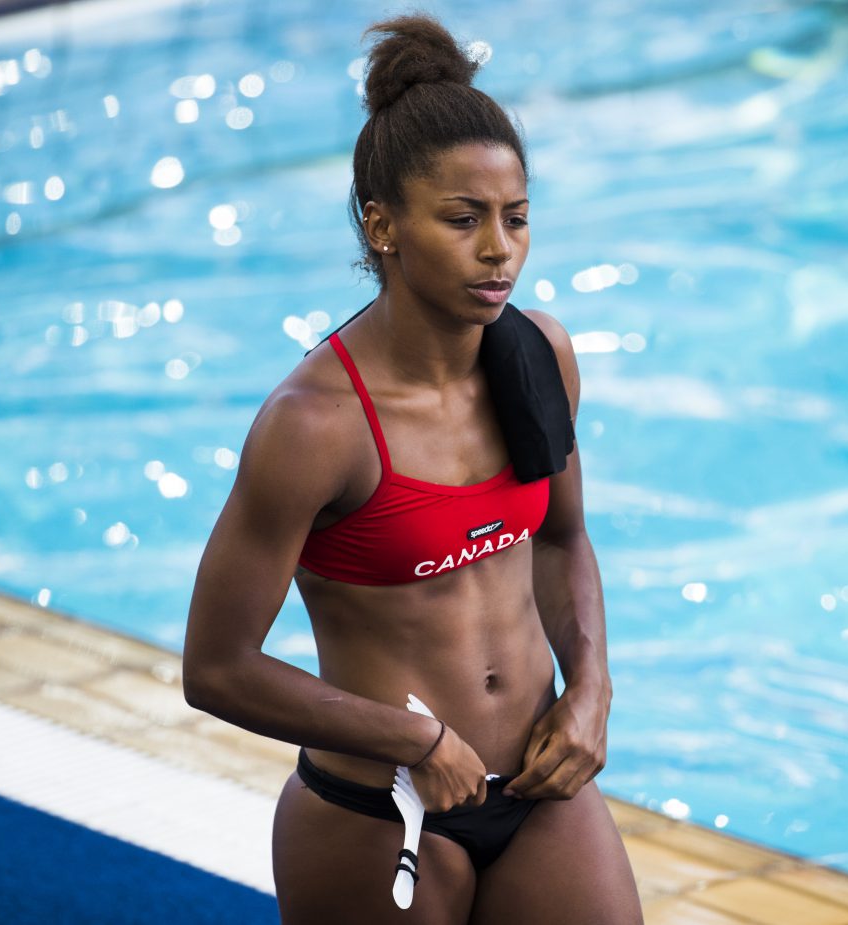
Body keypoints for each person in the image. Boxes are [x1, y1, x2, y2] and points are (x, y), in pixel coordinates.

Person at [182, 13, 642, 924]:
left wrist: (591, 688)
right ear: (383, 226)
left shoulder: (539, 355)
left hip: (538, 790)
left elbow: (562, 536)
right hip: (378, 806)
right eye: (463, 219)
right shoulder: (315, 425)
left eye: (515, 219)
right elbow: (217, 666)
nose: (498, 248)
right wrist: (413, 735)